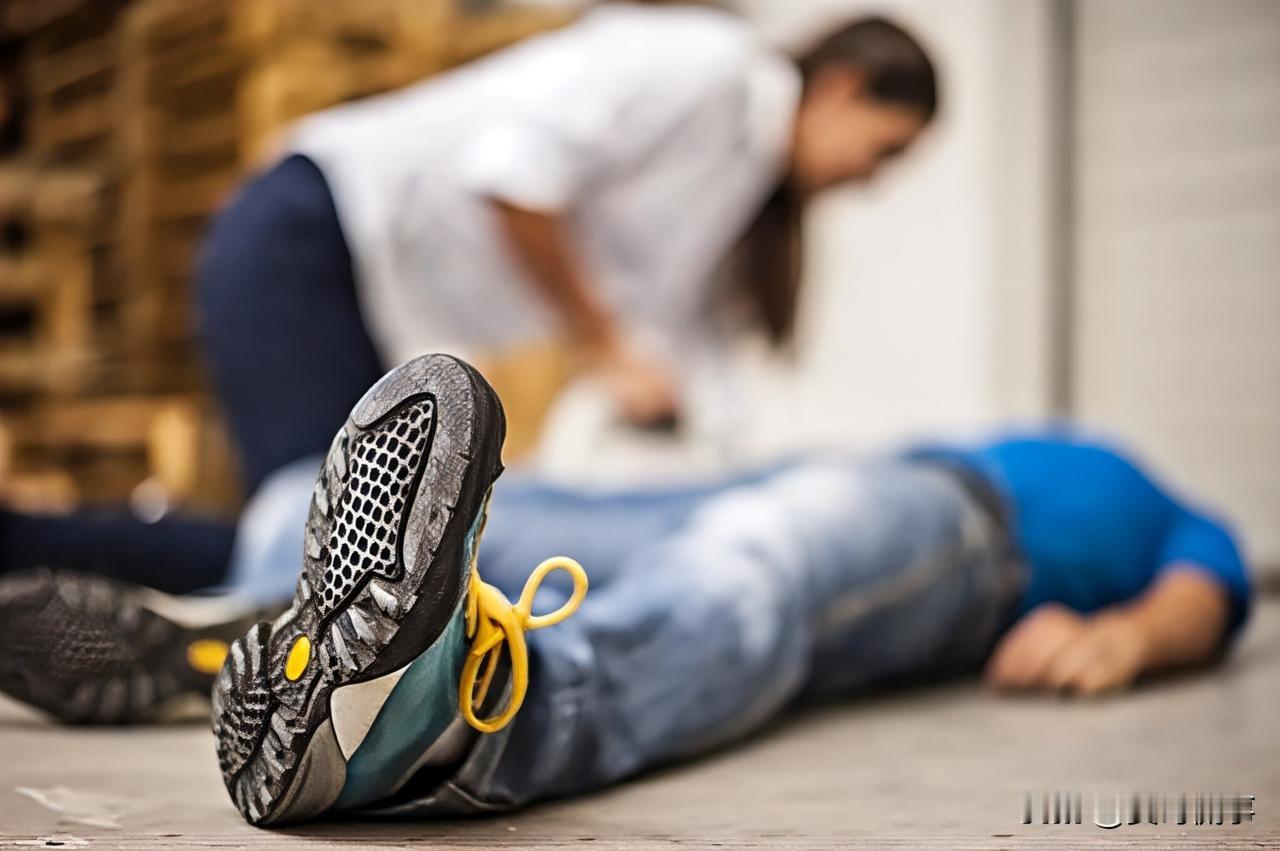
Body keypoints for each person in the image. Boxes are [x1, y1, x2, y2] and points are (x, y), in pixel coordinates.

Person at [0, 356, 1251, 823]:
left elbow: (1215, 580)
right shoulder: (1000, 430)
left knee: (760, 567)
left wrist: (1127, 631)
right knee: (291, 498)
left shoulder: (1158, 502)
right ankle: (250, 638)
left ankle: (463, 711)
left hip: (957, 536)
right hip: (826, 474)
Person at [0, 5, 939, 595]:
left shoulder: (737, 187)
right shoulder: (702, 66)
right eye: (885, 149)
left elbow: (683, 359)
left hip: (368, 285)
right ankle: (31, 546)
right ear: (844, 87)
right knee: (314, 552)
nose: (874, 180)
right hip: (314, 229)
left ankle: (57, 558)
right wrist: (603, 342)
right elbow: (515, 176)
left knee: (339, 560)